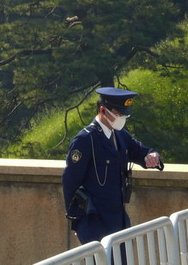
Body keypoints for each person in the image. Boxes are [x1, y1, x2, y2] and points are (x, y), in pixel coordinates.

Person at [62, 87, 163, 245]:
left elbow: (140, 151)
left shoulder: (120, 135)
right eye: (118, 114)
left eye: (124, 115)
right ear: (103, 110)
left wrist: (152, 156)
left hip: (118, 221)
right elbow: (70, 182)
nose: (122, 118)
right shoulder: (85, 140)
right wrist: (78, 222)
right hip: (94, 223)